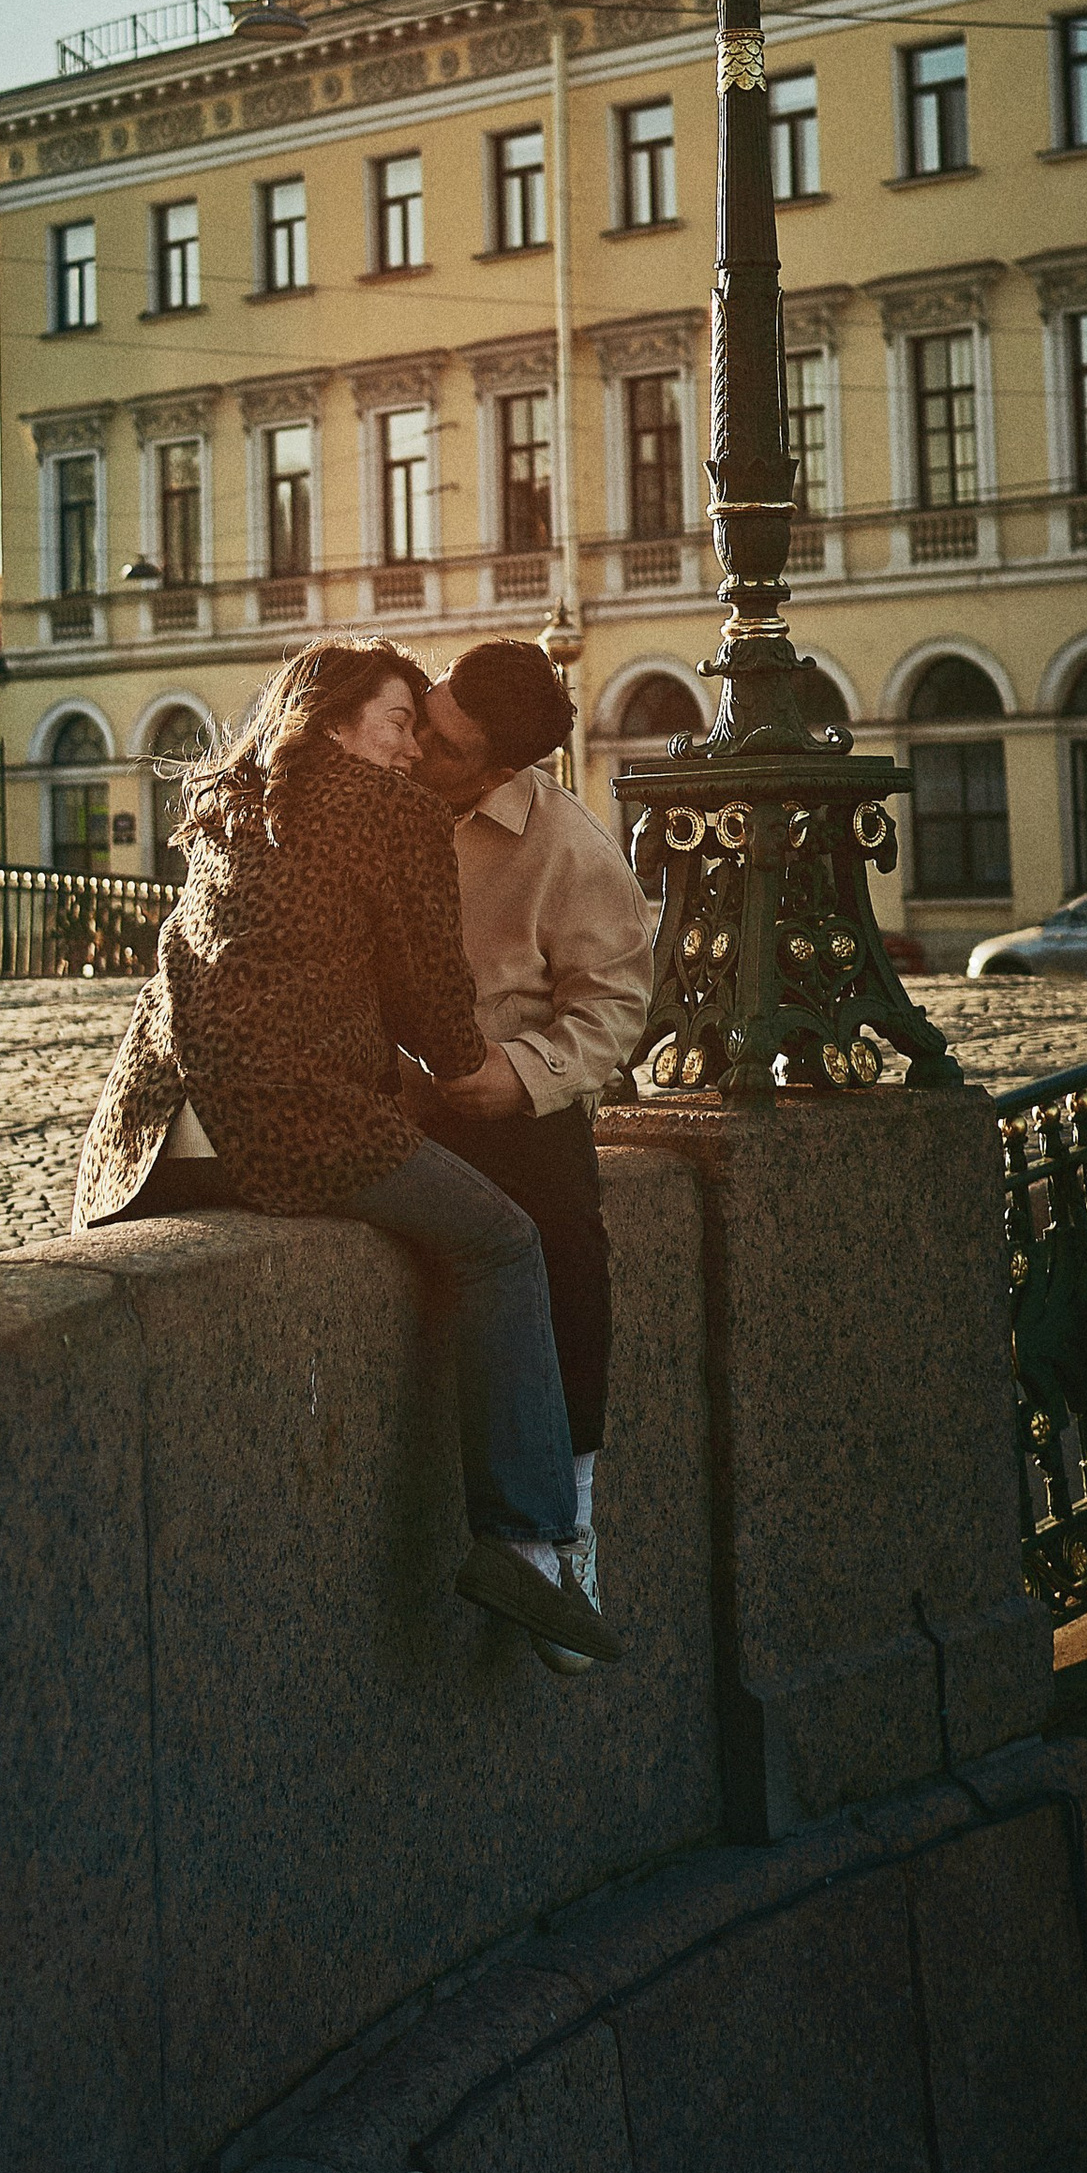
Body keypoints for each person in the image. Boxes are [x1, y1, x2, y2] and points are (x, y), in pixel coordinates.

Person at [76, 639, 620, 1668]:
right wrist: (471, 1074)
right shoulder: (393, 812)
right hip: (283, 1130)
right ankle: (531, 1539)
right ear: (332, 722)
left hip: (163, 1137)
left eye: (426, 728)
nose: (412, 746)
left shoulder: (234, 800)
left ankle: (546, 1534)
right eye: (399, 721)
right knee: (506, 1241)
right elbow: (437, 1010)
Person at [406, 639, 656, 1673]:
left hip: (505, 1099)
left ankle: (569, 1526)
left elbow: (615, 1010)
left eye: (445, 744)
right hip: (386, 1089)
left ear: (500, 769)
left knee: (565, 1244)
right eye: (424, 713)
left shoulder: (569, 850)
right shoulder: (385, 773)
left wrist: (516, 1074)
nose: (417, 744)